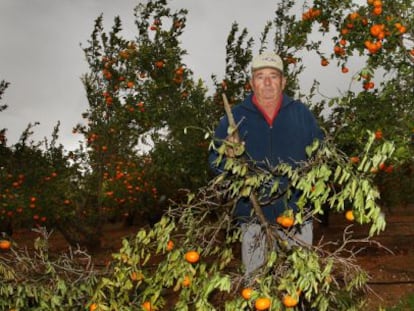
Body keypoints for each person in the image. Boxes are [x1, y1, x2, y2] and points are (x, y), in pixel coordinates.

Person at [208, 51, 324, 275]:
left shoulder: (301, 114)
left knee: (296, 288)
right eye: (261, 76)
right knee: (259, 287)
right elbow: (214, 162)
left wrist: (311, 185)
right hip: (253, 220)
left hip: (296, 219)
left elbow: (321, 157)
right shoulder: (233, 118)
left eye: (273, 75)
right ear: (252, 83)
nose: (268, 82)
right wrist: (228, 159)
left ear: (283, 81)